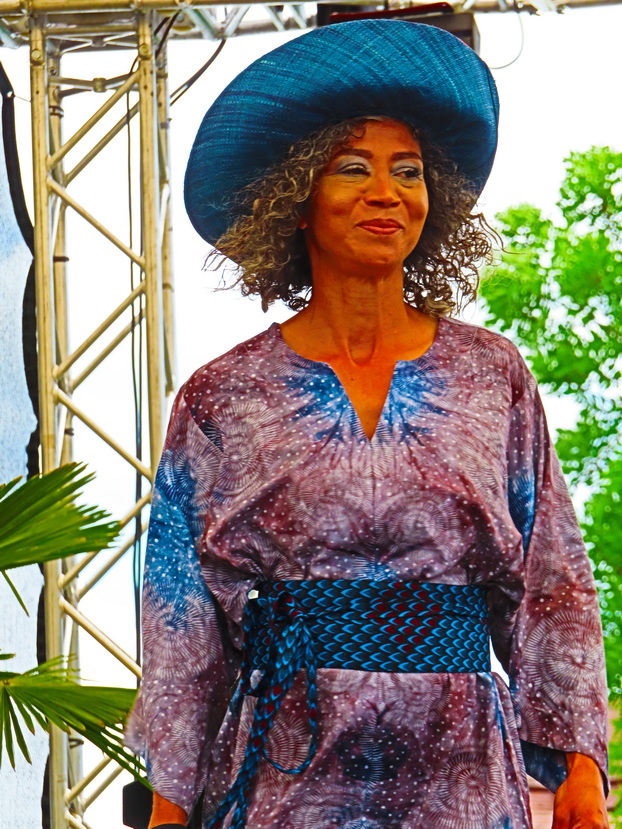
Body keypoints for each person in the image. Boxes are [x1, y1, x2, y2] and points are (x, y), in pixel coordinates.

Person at [125, 19, 610, 829]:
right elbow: (183, 625)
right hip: (287, 774)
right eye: (354, 167)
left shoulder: (493, 376)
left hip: (462, 777)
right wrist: (169, 811)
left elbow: (552, 580)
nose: (387, 192)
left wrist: (581, 769)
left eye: (408, 171)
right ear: (297, 198)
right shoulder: (223, 396)